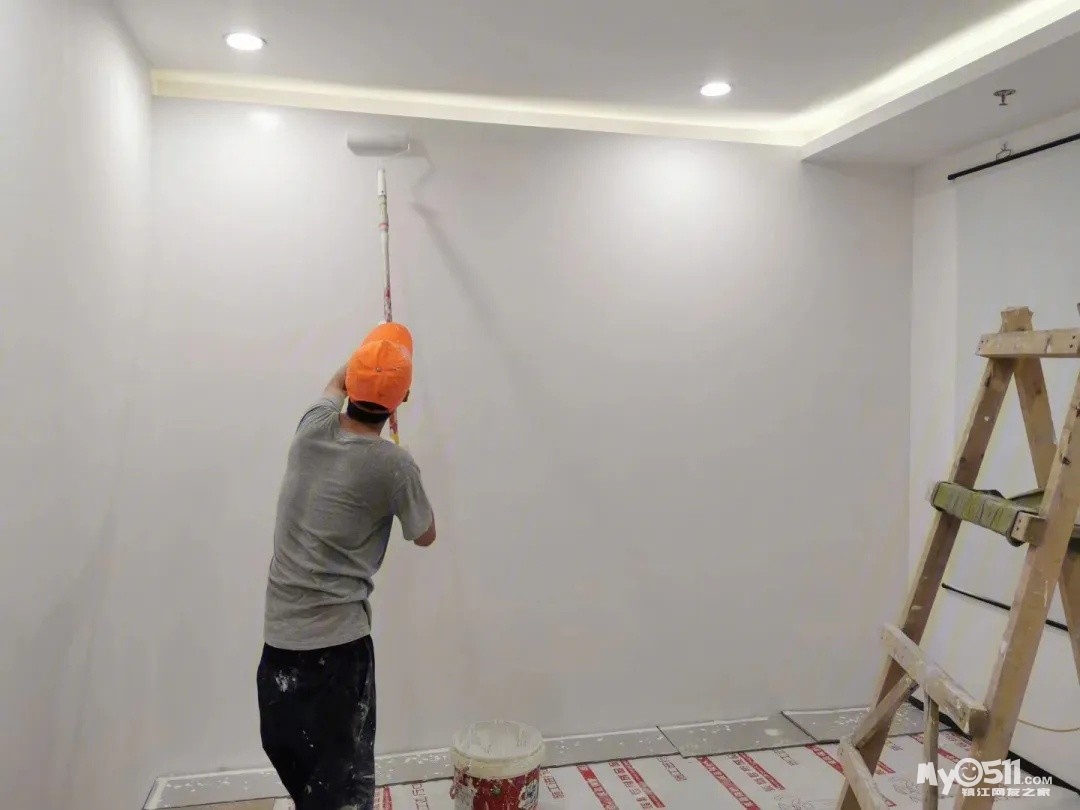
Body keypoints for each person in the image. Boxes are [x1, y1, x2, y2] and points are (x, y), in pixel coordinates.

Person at [256, 322, 436, 810]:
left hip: (278, 652)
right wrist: (404, 465)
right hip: (336, 656)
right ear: (400, 402)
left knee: (308, 784)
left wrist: (366, 366)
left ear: (351, 384)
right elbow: (424, 534)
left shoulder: (310, 430)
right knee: (344, 790)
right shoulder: (394, 466)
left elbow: (334, 383)